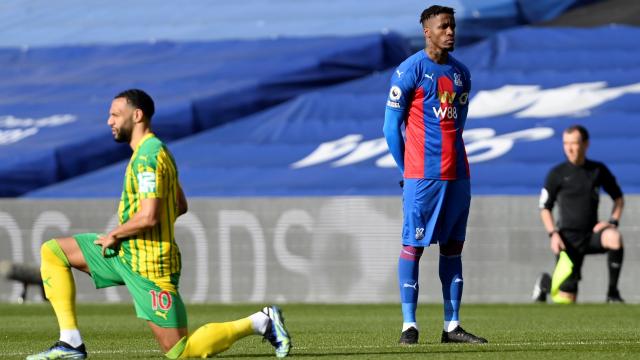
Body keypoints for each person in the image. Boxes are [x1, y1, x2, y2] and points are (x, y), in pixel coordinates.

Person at [27, 89, 291, 360]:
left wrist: (117, 234)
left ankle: (261, 321)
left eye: (115, 115)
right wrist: (135, 234)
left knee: (180, 352)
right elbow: (180, 205)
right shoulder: (153, 152)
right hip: (127, 254)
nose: (109, 121)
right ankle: (70, 343)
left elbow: (150, 215)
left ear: (137, 115)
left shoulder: (149, 157)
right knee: (54, 251)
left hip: (151, 267)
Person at [383, 5, 487, 345]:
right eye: (444, 26)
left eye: (453, 25)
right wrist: (408, 170)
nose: (451, 32)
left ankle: (452, 325)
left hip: (458, 175)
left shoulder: (462, 74)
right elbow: (390, 128)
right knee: (413, 246)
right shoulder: (409, 71)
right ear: (427, 31)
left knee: (453, 249)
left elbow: (459, 125)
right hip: (422, 179)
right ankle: (408, 326)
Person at [533, 124, 625, 304]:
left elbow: (619, 199)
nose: (569, 148)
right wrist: (553, 234)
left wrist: (612, 222)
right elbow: (545, 207)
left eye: (574, 143)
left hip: (591, 234)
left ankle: (612, 294)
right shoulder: (557, 173)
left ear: (585, 144)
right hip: (567, 240)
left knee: (614, 237)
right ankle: (545, 284)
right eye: (565, 143)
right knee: (567, 299)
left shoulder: (597, 170)